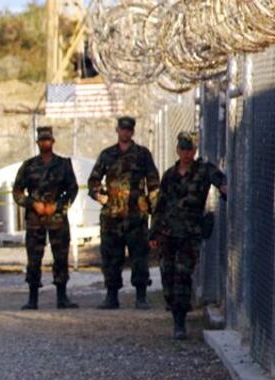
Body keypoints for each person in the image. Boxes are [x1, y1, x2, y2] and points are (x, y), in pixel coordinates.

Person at [149, 131, 227, 339]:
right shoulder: (170, 175)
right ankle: (174, 310)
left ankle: (180, 323)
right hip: (167, 233)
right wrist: (153, 233)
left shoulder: (203, 170)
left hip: (189, 234)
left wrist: (225, 189)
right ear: (178, 150)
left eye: (190, 149)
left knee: (183, 275)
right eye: (183, 149)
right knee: (167, 275)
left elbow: (221, 181)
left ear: (194, 150)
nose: (187, 153)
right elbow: (160, 205)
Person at [88, 116, 161, 310]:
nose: (125, 132)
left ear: (133, 132)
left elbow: (153, 182)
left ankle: (141, 296)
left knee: (139, 257)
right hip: (112, 216)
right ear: (117, 130)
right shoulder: (107, 154)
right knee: (111, 257)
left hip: (136, 215)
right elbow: (93, 181)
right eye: (123, 129)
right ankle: (112, 296)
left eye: (129, 130)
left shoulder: (142, 154)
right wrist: (98, 195)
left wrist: (153, 208)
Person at [11, 126, 80, 310]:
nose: (45, 143)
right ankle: (32, 298)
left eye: (47, 140)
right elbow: (17, 192)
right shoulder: (29, 165)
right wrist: (32, 204)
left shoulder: (64, 164)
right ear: (38, 142)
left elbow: (72, 189)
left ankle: (62, 297)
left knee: (61, 257)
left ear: (53, 141)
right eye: (42, 140)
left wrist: (58, 205)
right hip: (35, 220)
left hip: (57, 219)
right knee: (34, 259)